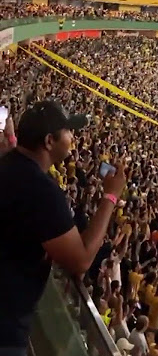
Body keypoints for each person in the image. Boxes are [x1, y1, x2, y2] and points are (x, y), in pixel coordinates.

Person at [0, 100, 126, 354]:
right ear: (49, 141)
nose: (73, 136)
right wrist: (110, 197)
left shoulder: (7, 162)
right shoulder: (41, 191)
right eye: (68, 131)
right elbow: (79, 261)